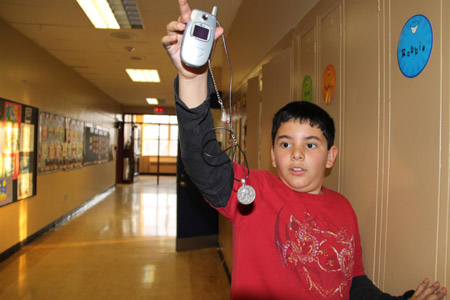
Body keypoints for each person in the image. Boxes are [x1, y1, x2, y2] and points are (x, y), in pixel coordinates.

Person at [161, 0, 448, 299]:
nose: (296, 153)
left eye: (311, 144)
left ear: (330, 157)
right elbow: (201, 159)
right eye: (285, 144)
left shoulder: (344, 209)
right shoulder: (253, 191)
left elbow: (352, 283)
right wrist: (191, 77)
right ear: (273, 154)